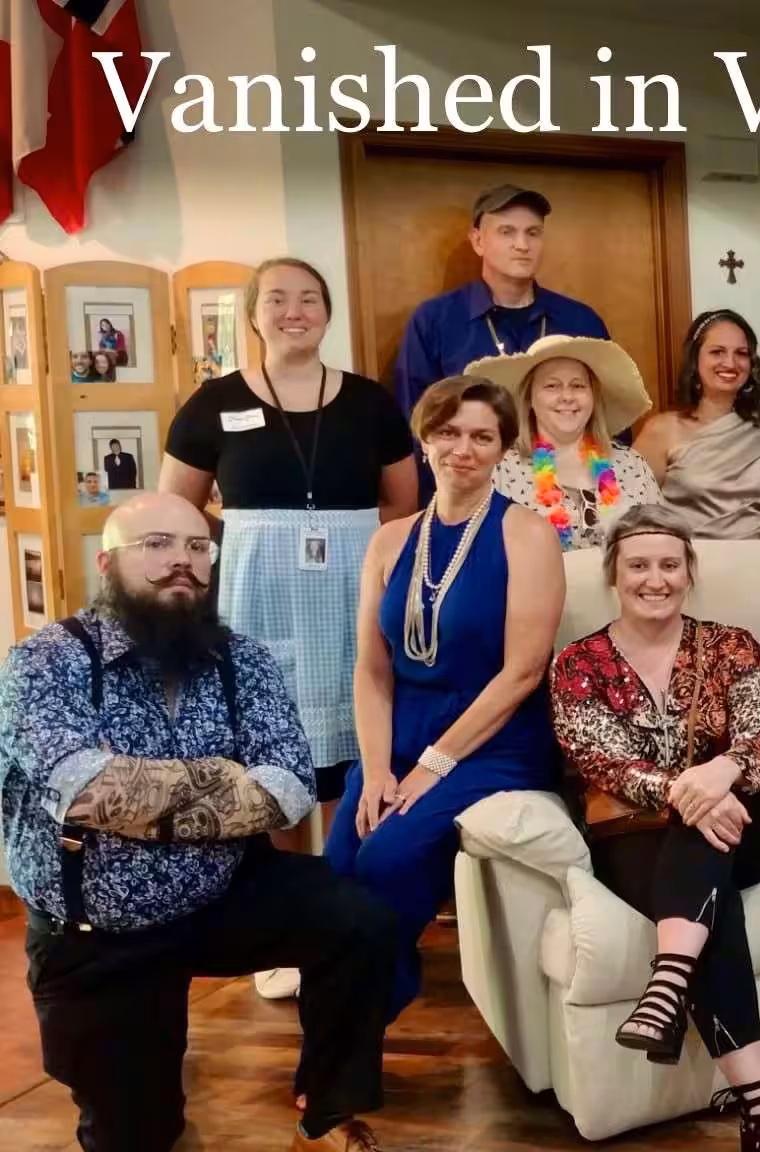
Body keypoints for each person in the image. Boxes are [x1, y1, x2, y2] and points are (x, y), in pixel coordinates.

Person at [0, 491, 397, 1152]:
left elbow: (290, 788)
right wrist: (224, 781)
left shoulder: (244, 660)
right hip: (100, 936)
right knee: (136, 1134)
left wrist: (141, 796)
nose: (180, 561)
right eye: (155, 545)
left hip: (221, 895)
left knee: (361, 921)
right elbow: (84, 790)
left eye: (195, 546)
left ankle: (326, 1110)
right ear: (107, 563)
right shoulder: (45, 662)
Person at [551, 504, 760, 1152]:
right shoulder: (578, 662)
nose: (654, 579)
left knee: (705, 837)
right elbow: (598, 758)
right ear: (614, 574)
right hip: (633, 834)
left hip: (747, 822)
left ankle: (666, 983)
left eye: (669, 564)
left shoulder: (732, 645)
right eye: (638, 565)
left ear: (689, 571)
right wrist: (686, 792)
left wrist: (721, 771)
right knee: (713, 906)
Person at [162, 256, 419, 863]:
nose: (293, 311)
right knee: (269, 746)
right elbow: (176, 511)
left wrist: (348, 544)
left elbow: (402, 505)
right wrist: (250, 541)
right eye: (276, 298)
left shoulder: (370, 402)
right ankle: (286, 891)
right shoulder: (214, 402)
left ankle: (346, 880)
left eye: (308, 298)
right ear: (254, 315)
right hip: (255, 593)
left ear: (327, 313)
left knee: (355, 739)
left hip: (353, 587)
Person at [326, 376, 565, 1018]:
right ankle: (351, 1004)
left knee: (388, 855)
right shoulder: (390, 539)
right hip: (401, 731)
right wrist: (377, 767)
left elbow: (524, 672)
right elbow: (372, 669)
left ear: (503, 450)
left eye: (482, 436)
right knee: (341, 858)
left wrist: (433, 765)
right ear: (425, 440)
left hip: (493, 738)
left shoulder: (527, 534)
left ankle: (364, 1011)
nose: (464, 449)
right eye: (449, 433)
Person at [392, 185, 609, 496]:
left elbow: (606, 422)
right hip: (469, 493)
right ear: (478, 240)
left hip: (566, 495)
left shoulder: (580, 321)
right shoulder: (435, 320)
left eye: (533, 233)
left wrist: (603, 495)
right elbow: (413, 425)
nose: (522, 245)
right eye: (507, 232)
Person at [468, 333, 661, 551]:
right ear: (529, 398)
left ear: (593, 397)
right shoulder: (500, 470)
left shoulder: (632, 465)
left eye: (578, 386)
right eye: (552, 386)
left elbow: (665, 544)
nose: (567, 396)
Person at [632, 309, 760, 540]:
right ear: (695, 359)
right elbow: (630, 509)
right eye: (717, 352)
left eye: (741, 353)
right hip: (682, 557)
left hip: (752, 558)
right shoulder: (662, 430)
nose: (730, 362)